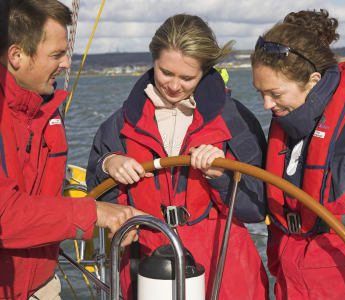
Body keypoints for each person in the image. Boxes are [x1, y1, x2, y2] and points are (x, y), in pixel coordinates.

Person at [87, 13, 269, 300]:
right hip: (144, 266)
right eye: (165, 72)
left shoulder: (238, 122)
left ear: (205, 71)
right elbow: (98, 199)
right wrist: (109, 163)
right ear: (153, 61)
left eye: (187, 77)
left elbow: (256, 209)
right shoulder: (118, 124)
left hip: (222, 268)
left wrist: (220, 176)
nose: (173, 85)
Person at [251, 8, 345, 300]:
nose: (266, 105)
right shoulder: (285, 126)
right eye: (260, 93)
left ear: (314, 80)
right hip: (292, 285)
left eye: (276, 94)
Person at [0, 1, 144, 299]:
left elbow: (42, 204)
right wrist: (97, 214)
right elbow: (5, 216)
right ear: (16, 55)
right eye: (56, 55)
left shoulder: (47, 111)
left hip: (41, 286)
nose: (66, 63)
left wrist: (111, 217)